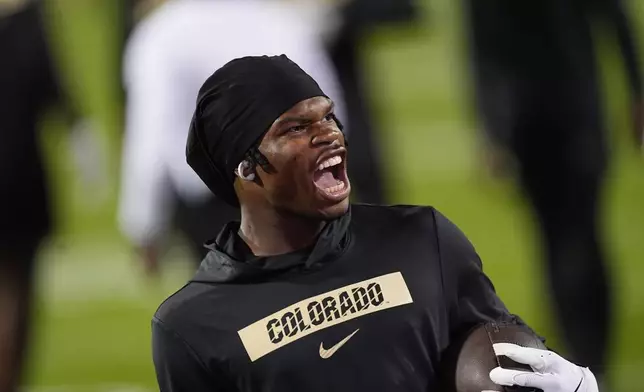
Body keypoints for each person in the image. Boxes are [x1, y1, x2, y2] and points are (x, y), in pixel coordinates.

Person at [151, 55, 599, 392]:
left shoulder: (424, 238)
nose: (328, 133)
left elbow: (501, 349)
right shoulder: (191, 328)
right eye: (294, 128)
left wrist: (575, 387)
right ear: (245, 169)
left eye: (327, 116)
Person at [462, 0, 643, 383]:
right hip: (544, 119)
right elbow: (481, 44)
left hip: (564, 117)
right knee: (564, 238)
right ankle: (584, 353)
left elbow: (479, 45)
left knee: (575, 239)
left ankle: (587, 351)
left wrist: (492, 131)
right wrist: (493, 133)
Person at [119, 0, 346, 273]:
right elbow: (331, 118)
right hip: (291, 189)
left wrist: (145, 227)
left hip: (211, 205)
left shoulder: (163, 34)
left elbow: (150, 141)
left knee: (232, 309)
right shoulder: (283, 23)